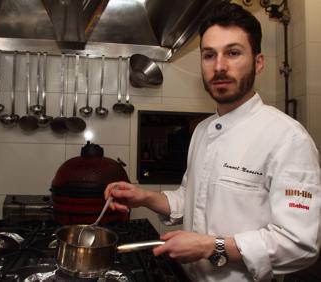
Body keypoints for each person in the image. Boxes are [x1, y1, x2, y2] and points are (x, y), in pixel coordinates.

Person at [104, 2, 321, 282]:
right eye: (209, 55)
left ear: (258, 62)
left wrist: (211, 246)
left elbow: (300, 244)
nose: (219, 66)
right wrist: (143, 197)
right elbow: (190, 198)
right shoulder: (203, 130)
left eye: (233, 53)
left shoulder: (287, 138)